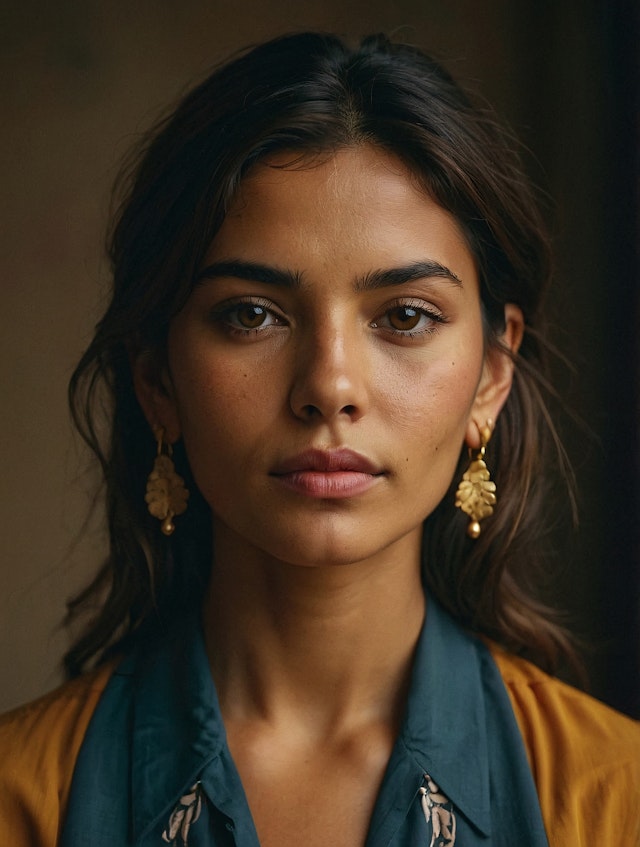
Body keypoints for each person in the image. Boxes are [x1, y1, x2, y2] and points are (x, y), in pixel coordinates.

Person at [1, 31, 638, 847]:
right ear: (158, 379)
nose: (329, 386)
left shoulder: (613, 798)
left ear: (490, 374)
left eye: (405, 316)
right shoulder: (24, 800)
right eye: (251, 315)